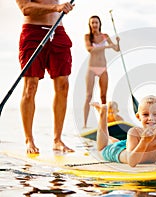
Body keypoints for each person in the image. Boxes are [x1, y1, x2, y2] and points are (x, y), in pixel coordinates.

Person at [16, 0, 75, 154]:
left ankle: (57, 140)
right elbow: (25, 8)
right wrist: (56, 7)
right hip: (33, 32)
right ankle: (29, 139)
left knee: (63, 85)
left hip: (58, 30)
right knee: (31, 85)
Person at [91, 95, 156, 167]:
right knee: (101, 149)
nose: (150, 118)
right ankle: (103, 113)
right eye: (145, 114)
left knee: (121, 143)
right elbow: (132, 162)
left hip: (129, 146)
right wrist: (144, 141)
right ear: (138, 117)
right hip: (118, 152)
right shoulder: (133, 132)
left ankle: (113, 140)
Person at [83, 15, 120, 128]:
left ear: (99, 24)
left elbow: (116, 49)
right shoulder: (88, 36)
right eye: (92, 23)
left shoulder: (105, 36)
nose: (94, 24)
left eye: (96, 22)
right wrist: (106, 47)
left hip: (103, 68)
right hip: (91, 68)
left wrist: (117, 42)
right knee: (89, 96)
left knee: (103, 96)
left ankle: (103, 123)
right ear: (90, 24)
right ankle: (85, 124)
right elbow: (90, 49)